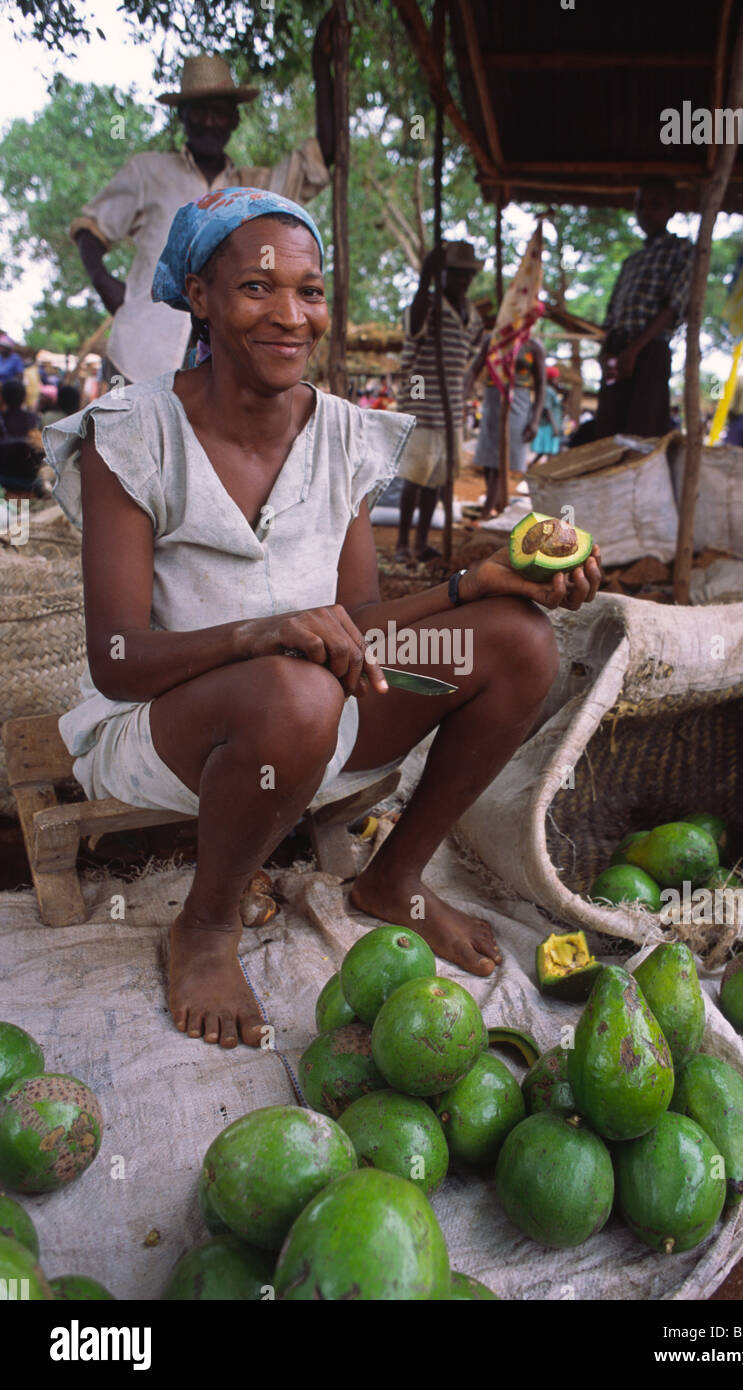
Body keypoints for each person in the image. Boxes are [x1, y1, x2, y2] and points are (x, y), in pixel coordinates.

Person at [44, 189, 602, 1049]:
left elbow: (360, 622)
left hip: (315, 716)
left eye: (308, 292)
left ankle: (394, 879)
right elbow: (118, 662)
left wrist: (476, 584)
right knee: (296, 691)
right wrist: (262, 632)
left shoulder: (342, 434)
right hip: (167, 734)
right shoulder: (132, 434)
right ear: (200, 296)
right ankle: (206, 924)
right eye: (256, 288)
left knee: (518, 642)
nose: (290, 315)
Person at [72, 36, 335, 387]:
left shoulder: (253, 190)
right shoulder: (147, 171)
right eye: (199, 110)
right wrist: (105, 284)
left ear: (234, 120)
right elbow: (90, 228)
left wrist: (322, 64)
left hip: (220, 370)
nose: (210, 121)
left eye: (220, 111)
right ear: (182, 116)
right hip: (141, 353)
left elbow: (322, 156)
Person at [394, 241, 485, 564]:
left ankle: (421, 544)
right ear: (442, 274)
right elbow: (414, 327)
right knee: (415, 478)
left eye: (466, 275)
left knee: (436, 480)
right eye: (455, 273)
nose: (462, 280)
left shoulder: (471, 315)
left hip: (451, 412)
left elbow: (473, 352)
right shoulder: (429, 304)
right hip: (421, 404)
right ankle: (402, 544)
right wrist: (424, 280)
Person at [592, 177, 693, 441]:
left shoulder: (681, 249)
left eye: (655, 204)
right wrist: (606, 354)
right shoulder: (632, 262)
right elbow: (611, 317)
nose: (646, 212)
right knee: (607, 436)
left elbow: (674, 306)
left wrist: (634, 351)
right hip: (617, 353)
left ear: (672, 209)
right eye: (640, 206)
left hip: (650, 352)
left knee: (643, 436)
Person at [467, 338, 546, 520]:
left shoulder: (533, 346)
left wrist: (534, 420)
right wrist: (462, 397)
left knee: (500, 460)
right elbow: (473, 370)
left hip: (517, 401)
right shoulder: (493, 340)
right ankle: (493, 506)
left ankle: (487, 511)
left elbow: (541, 384)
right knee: (489, 460)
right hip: (492, 400)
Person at [530, 364, 564, 464]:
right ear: (550, 379)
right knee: (549, 451)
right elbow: (547, 409)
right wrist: (554, 426)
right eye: (555, 378)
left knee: (546, 451)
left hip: (550, 425)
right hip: (548, 426)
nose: (557, 380)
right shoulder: (548, 391)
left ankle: (531, 466)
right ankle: (548, 469)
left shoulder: (551, 391)